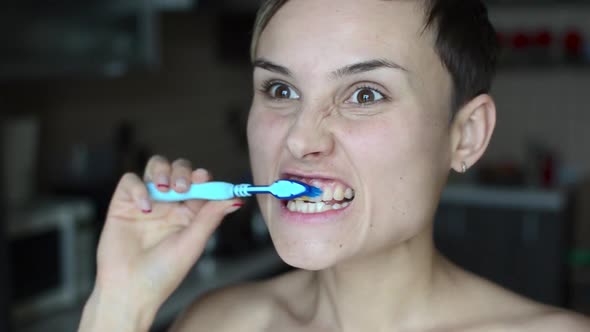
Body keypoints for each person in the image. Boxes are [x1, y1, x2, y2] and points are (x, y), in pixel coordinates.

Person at [78, 0, 590, 331]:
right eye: (280, 90)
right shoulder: (217, 324)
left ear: (467, 135)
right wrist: (119, 307)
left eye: (364, 94)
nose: (300, 138)